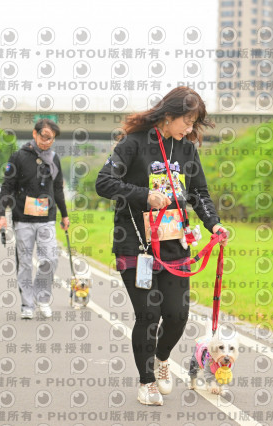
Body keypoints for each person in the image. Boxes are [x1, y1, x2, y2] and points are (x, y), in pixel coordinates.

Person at [95, 86, 229, 406]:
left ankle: (162, 358)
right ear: (169, 115)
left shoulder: (187, 149)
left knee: (178, 314)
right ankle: (147, 383)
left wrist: (214, 224)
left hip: (174, 245)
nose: (190, 128)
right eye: (187, 121)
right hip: (136, 245)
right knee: (148, 314)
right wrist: (145, 195)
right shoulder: (133, 143)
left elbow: (199, 193)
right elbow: (104, 182)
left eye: (194, 122)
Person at [0, 119, 69, 320]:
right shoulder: (18, 157)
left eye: (51, 139)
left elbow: (58, 189)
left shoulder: (54, 159)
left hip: (47, 217)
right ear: (34, 134)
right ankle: (27, 304)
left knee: (50, 259)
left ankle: (42, 297)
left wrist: (64, 214)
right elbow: (7, 187)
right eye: (44, 137)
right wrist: (1, 214)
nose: (47, 142)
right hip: (23, 219)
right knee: (25, 263)